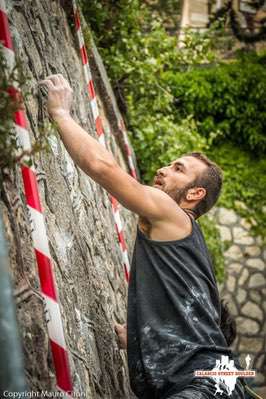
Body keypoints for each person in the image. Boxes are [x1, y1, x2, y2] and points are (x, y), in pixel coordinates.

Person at [40, 74, 245, 399]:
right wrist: (143, 340)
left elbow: (103, 167)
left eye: (178, 169)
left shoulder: (172, 215)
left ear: (195, 193)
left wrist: (61, 113)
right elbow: (195, 320)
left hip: (204, 387)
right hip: (218, 382)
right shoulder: (188, 247)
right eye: (169, 164)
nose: (163, 169)